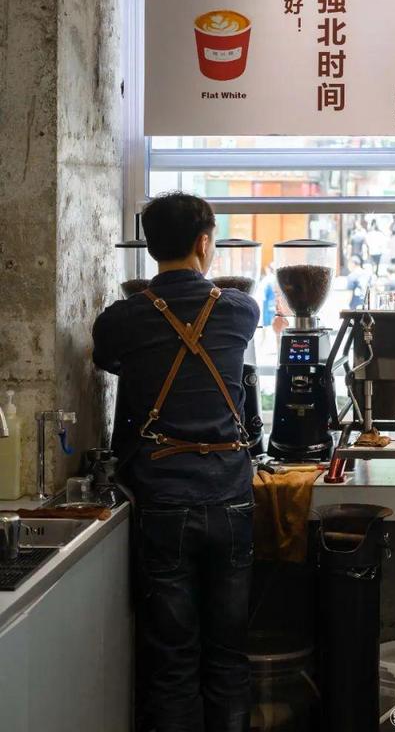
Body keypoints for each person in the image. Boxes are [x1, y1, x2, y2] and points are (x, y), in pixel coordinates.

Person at [93, 193, 259, 732]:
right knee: (228, 657)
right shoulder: (241, 310)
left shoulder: (122, 319)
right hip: (231, 498)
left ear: (149, 246)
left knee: (171, 662)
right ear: (204, 243)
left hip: (162, 500)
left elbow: (107, 358)